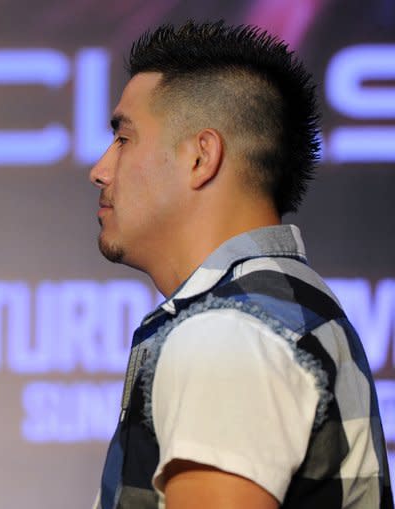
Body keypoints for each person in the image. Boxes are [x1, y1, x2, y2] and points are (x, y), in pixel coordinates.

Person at [90, 21, 392, 509]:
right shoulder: (281, 311)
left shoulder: (227, 334)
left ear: (200, 157)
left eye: (123, 139)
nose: (100, 169)